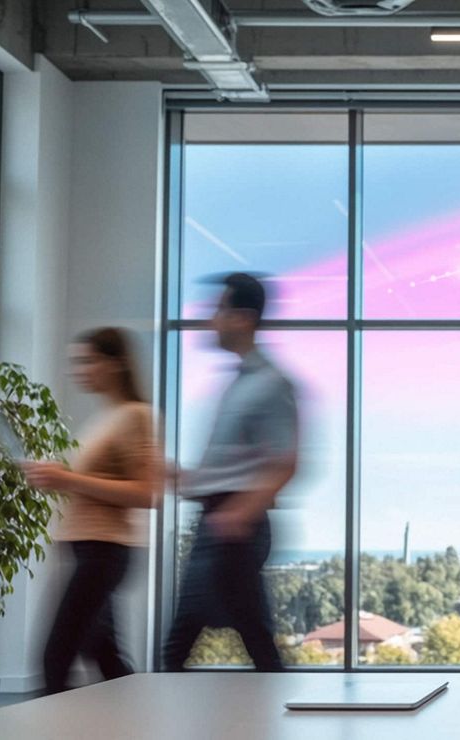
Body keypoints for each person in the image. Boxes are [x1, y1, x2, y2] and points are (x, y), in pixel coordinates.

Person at [162, 273, 299, 672]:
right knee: (252, 642)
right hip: (218, 524)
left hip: (235, 531)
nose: (211, 319)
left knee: (180, 648)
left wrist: (238, 514)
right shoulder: (237, 384)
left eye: (219, 310)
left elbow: (286, 462)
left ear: (243, 318)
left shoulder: (271, 384)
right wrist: (182, 479)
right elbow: (230, 469)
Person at [26, 328, 158, 695]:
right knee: (105, 657)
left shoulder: (136, 416)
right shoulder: (104, 418)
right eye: (75, 362)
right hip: (88, 550)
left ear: (115, 364)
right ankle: (136, 720)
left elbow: (147, 493)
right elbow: (85, 483)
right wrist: (56, 477)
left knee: (56, 658)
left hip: (105, 551)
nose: (78, 370)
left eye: (87, 361)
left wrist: (67, 479)